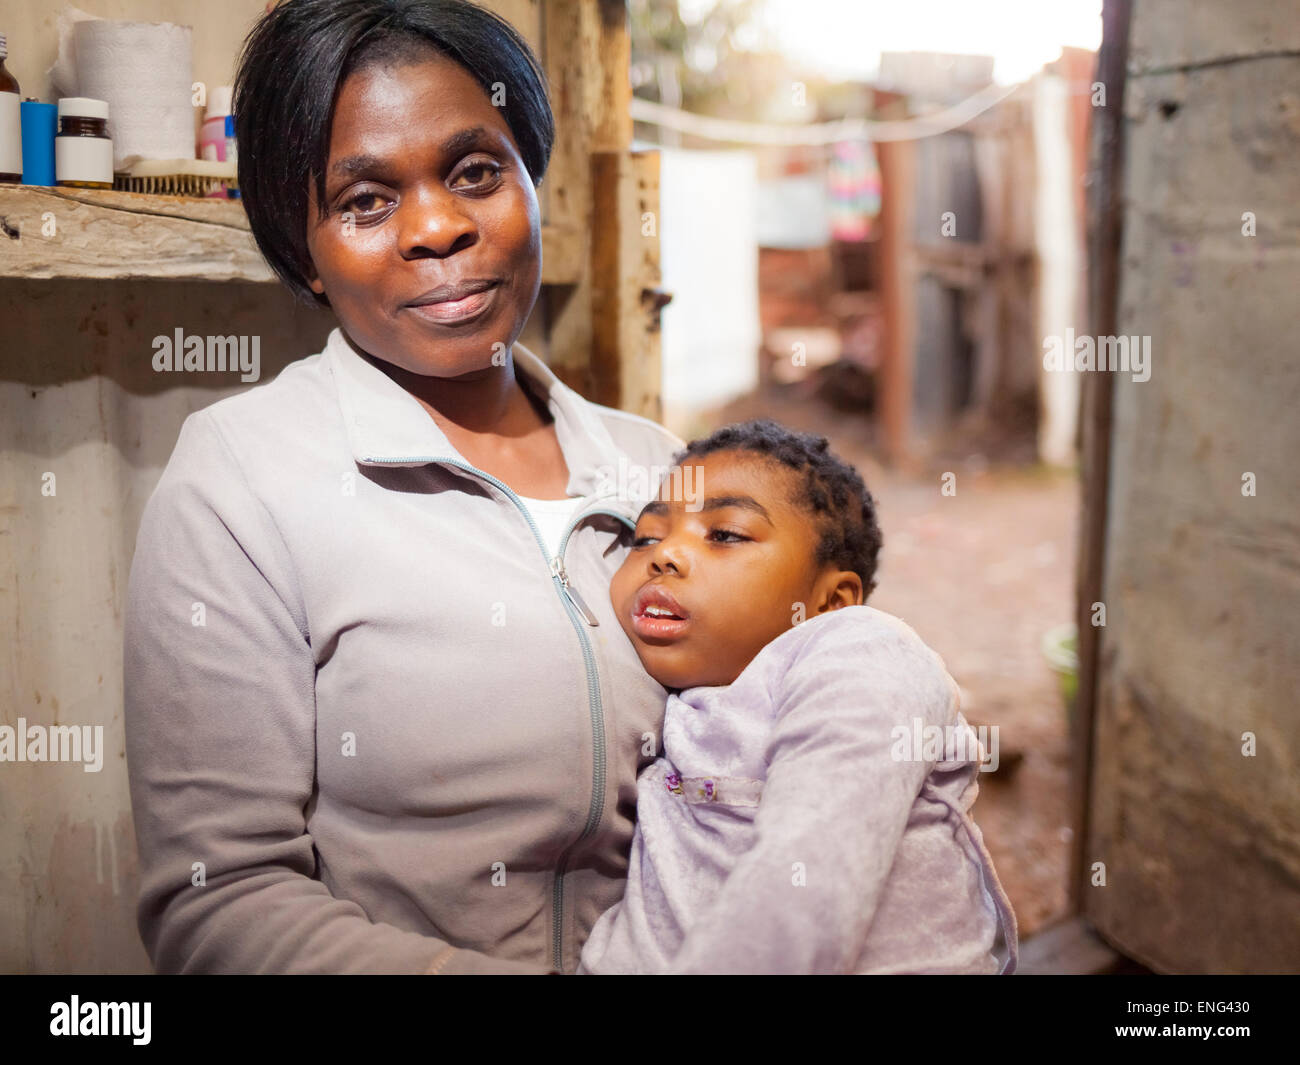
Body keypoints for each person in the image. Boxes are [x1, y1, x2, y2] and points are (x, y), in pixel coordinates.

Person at [123, 0, 681, 974]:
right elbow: (219, 905)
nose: (436, 227)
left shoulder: (662, 474)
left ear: (532, 181)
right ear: (305, 257)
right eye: (366, 201)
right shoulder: (242, 483)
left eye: (475, 172)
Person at [577, 419, 1019, 974]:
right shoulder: (676, 699)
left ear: (831, 601)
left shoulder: (862, 653)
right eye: (646, 537)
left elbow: (807, 882)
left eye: (725, 534)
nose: (664, 556)